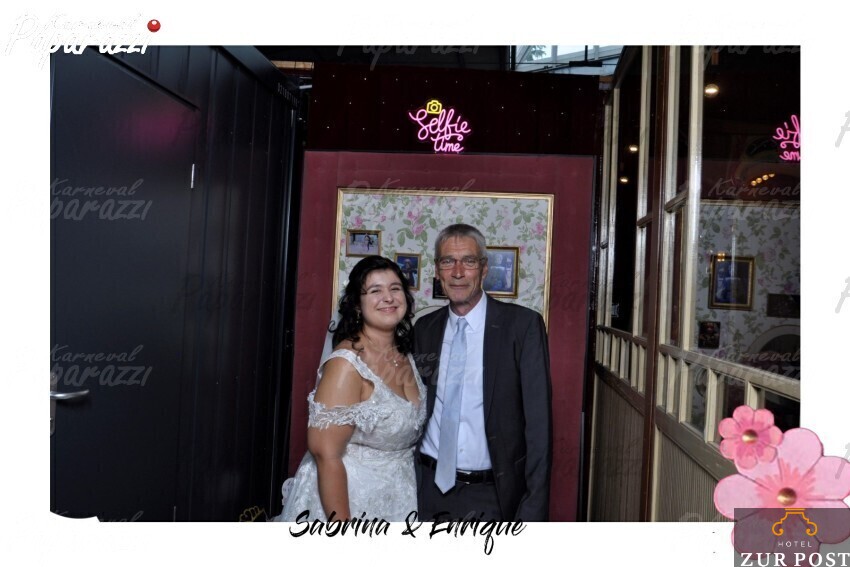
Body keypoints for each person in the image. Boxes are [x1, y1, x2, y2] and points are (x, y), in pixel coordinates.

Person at [413, 224, 552, 522]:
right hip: (426, 489)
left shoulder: (522, 327)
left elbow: (539, 428)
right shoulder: (424, 329)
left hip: (492, 496)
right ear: (437, 270)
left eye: (469, 261)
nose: (458, 272)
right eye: (448, 261)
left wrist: (532, 510)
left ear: (484, 268)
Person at [278, 256, 426, 521]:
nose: (388, 297)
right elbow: (326, 454)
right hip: (349, 502)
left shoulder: (404, 354)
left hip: (398, 498)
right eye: (375, 290)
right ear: (357, 304)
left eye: (395, 288)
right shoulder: (347, 365)